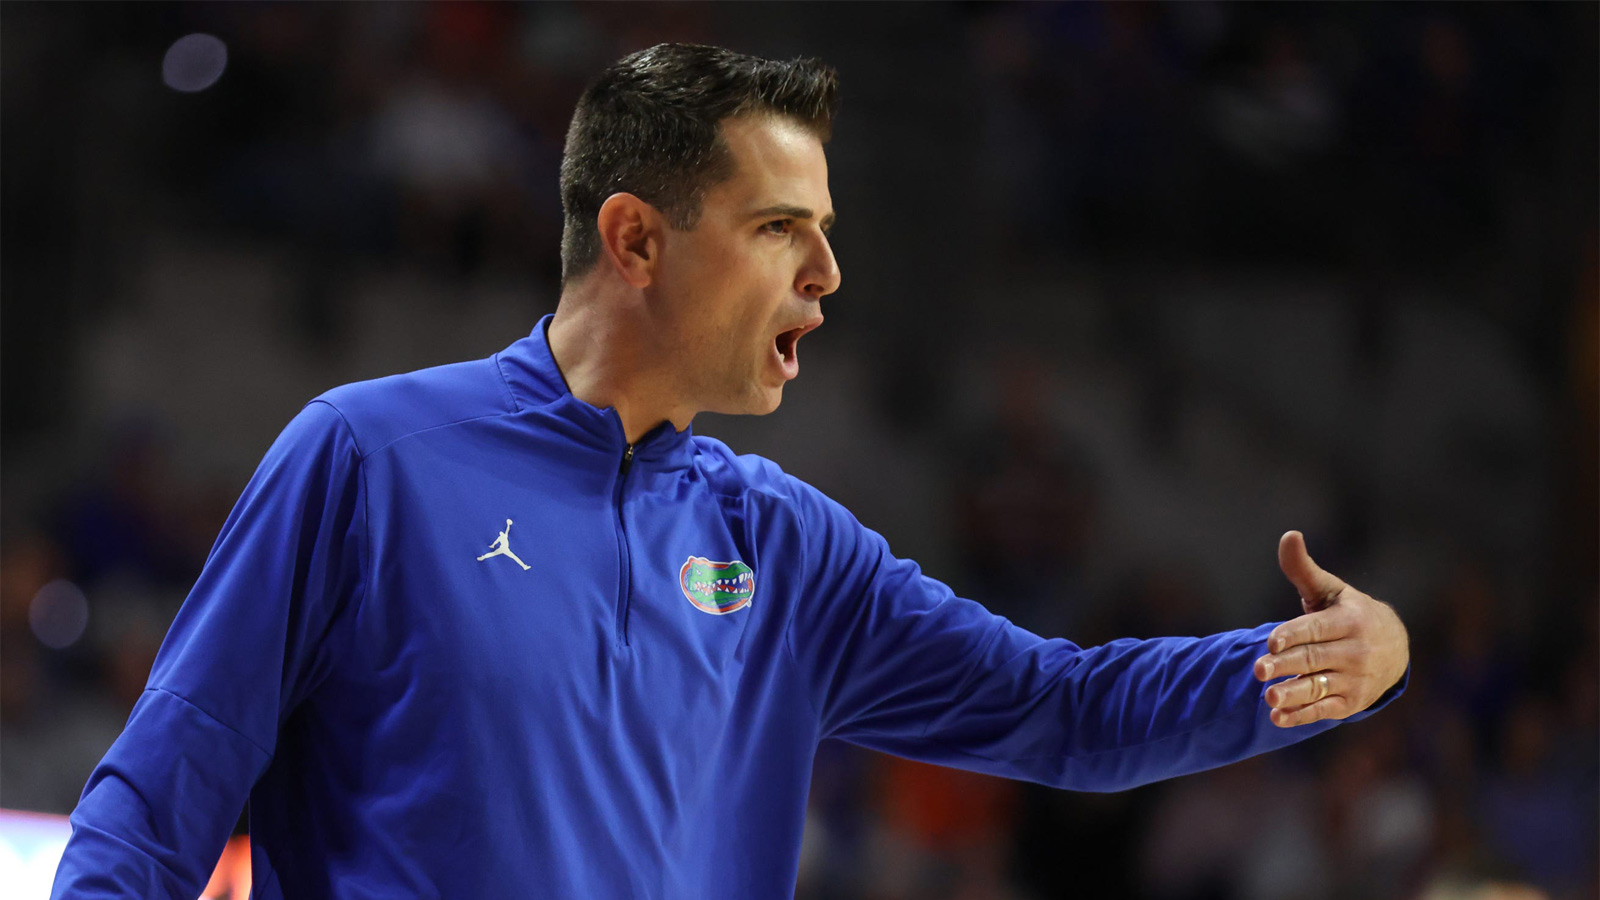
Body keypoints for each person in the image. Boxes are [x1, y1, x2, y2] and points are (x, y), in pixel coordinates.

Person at [50, 44, 1410, 899]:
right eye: (779, 230)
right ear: (636, 240)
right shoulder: (368, 456)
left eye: (823, 231)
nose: (826, 276)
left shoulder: (790, 547)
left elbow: (1066, 712)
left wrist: (1314, 669)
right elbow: (160, 797)